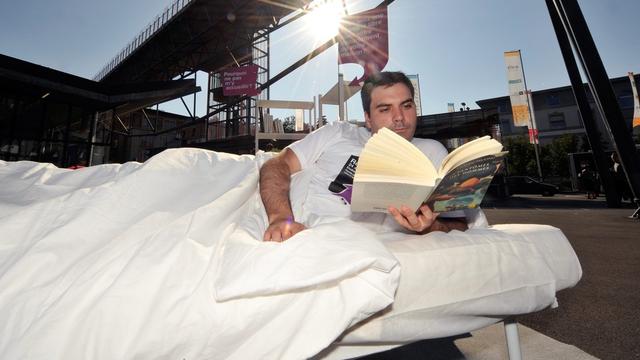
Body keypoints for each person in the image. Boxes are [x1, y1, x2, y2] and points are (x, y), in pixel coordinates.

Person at [259, 71, 468, 242]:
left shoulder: (432, 151)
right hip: (312, 237)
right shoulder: (338, 132)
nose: (399, 118)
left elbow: (458, 225)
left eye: (407, 105)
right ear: (368, 118)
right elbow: (277, 164)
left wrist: (428, 227)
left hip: (378, 246)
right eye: (385, 109)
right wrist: (280, 218)